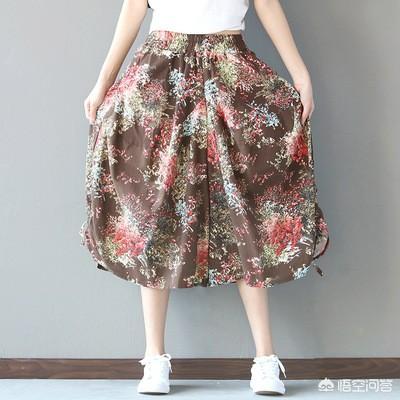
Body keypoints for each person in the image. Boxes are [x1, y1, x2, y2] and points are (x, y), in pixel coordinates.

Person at [80, 0, 330, 396]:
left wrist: (301, 75)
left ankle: (265, 359)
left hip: (230, 70)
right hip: (160, 72)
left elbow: (266, 3)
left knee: (245, 212)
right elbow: (133, 9)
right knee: (154, 212)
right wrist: (102, 82)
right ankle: (154, 357)